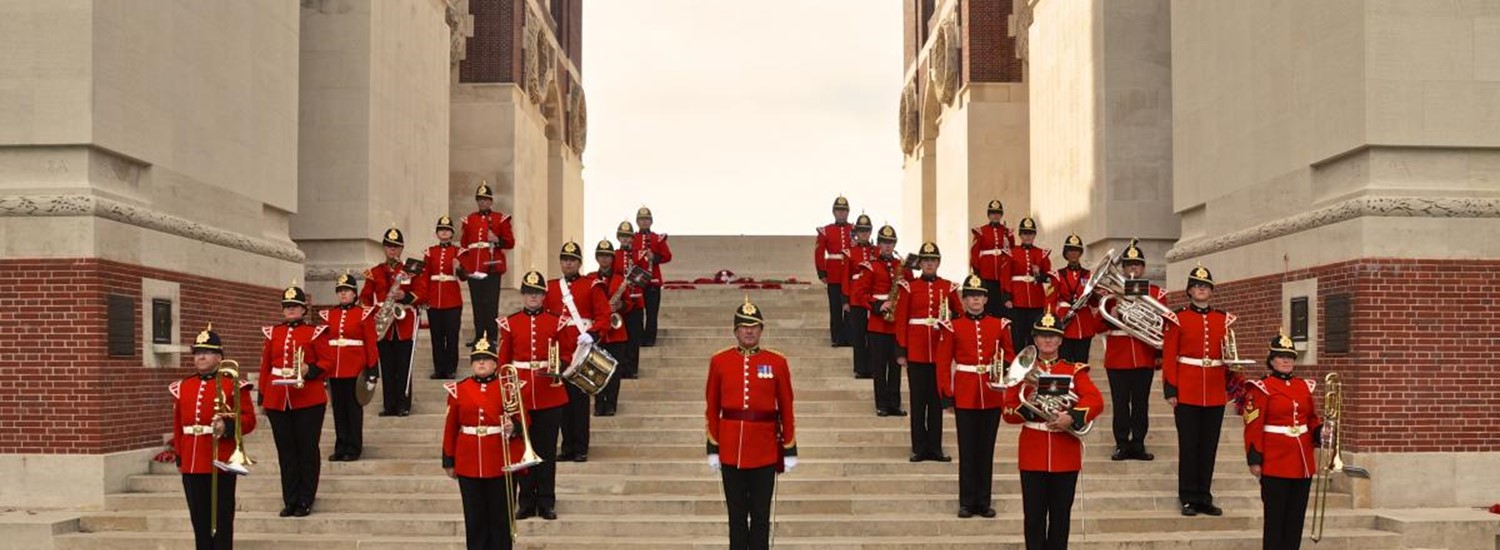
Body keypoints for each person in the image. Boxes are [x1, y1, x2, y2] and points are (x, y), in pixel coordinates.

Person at [1003, 309, 1104, 550]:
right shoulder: (1022, 372)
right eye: (1042, 336)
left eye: (1053, 335)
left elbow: (1095, 400)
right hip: (1033, 450)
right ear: (1035, 340)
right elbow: (1008, 411)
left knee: (1060, 519)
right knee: (1034, 519)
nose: (1047, 340)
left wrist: (1071, 416)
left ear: (1060, 340)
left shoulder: (1074, 370)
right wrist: (1031, 400)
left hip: (1065, 452)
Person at [706, 297, 797, 550]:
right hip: (730, 450)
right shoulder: (719, 361)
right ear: (735, 330)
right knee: (736, 518)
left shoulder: (777, 362)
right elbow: (712, 407)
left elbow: (787, 407)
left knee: (760, 517)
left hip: (765, 450)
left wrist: (789, 447)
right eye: (744, 326)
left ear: (761, 330)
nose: (749, 331)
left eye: (754, 326)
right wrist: (713, 446)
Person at [498, 270, 579, 521]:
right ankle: (526, 502)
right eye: (529, 293)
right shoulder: (510, 323)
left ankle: (546, 501)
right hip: (520, 394)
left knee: (545, 450)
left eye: (538, 293)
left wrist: (560, 366)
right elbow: (503, 361)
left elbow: (567, 352)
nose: (533, 297)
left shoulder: (557, 321)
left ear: (544, 296)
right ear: (522, 295)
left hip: (550, 393)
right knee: (523, 450)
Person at [936, 274, 1015, 518]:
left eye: (979, 296)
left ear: (986, 299)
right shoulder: (953, 326)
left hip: (991, 393)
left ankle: (984, 501)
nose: (975, 300)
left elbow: (1011, 358)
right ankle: (967, 501)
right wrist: (947, 395)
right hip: (965, 392)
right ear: (965, 299)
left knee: (986, 449)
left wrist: (1007, 382)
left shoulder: (1000, 324)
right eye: (970, 296)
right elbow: (942, 362)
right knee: (967, 449)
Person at [442, 335, 530, 550]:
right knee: (475, 519)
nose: (481, 362)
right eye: (477, 359)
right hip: (468, 460)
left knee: (501, 518)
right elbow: (451, 427)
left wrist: (514, 427)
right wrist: (449, 460)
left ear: (495, 364)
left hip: (500, 459)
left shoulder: (508, 387)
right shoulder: (459, 389)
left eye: (486, 358)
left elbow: (524, 419)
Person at [173, 324, 256, 549]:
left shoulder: (233, 384)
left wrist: (227, 425)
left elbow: (249, 420)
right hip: (192, 460)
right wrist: (180, 456)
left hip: (221, 458)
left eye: (206, 352)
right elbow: (178, 426)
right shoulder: (183, 386)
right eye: (197, 353)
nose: (200, 357)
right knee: (199, 520)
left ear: (219, 357)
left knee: (221, 519)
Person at [1162, 263, 1236, 517]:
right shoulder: (1178, 317)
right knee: (1189, 445)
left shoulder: (1222, 319)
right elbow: (1170, 354)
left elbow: (1228, 355)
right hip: (1187, 389)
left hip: (1215, 389)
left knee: (1208, 447)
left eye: (1205, 286)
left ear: (1211, 291)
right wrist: (1170, 388)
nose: (1201, 290)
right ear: (1190, 291)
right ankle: (1188, 497)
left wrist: (1234, 386)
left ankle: (1204, 496)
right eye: (1196, 286)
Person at [1244, 331, 1322, 550]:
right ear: (1271, 360)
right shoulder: (1261, 387)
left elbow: (1311, 419)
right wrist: (1254, 457)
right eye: (1280, 356)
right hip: (1275, 460)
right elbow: (1253, 425)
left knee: (1295, 519)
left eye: (1290, 356)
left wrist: (1320, 433)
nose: (1286, 360)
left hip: (1302, 461)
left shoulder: (1304, 386)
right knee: (1275, 520)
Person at [259, 282, 329, 517]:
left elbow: (327, 362)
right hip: (278, 398)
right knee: (286, 452)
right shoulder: (274, 333)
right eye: (286, 306)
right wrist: (263, 396)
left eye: (294, 306)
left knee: (307, 450)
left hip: (308, 398)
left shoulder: (314, 332)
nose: (290, 309)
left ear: (303, 309)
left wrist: (311, 370)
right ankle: (290, 499)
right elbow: (266, 366)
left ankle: (306, 499)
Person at [893, 241, 959, 462]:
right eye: (926, 261)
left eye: (933, 260)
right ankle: (919, 447)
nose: (930, 264)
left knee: (936, 401)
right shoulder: (909, 287)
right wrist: (901, 350)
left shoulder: (948, 287)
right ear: (920, 264)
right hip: (917, 352)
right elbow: (901, 319)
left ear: (938, 263)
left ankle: (935, 447)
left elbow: (959, 316)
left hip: (940, 351)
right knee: (918, 401)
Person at [545, 241, 610, 462]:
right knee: (561, 402)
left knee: (580, 403)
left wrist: (592, 334)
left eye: (572, 260)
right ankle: (567, 447)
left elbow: (604, 315)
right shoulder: (551, 287)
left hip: (581, 350)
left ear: (580, 263)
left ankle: (581, 447)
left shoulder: (591, 285)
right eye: (564, 259)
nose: (568, 263)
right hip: (559, 350)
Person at [1101, 239, 1166, 461]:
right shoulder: (1111, 294)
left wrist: (1159, 355)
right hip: (1117, 357)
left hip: (1143, 356)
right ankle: (1121, 443)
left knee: (1141, 403)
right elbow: (1097, 325)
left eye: (1136, 265)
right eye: (1128, 265)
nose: (1132, 269)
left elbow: (1162, 326)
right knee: (1120, 404)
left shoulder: (1156, 293)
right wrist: (1114, 315)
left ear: (1143, 268)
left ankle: (1138, 443)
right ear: (1123, 268)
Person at [360, 228, 424, 417]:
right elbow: (364, 298)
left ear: (402, 248)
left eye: (396, 247)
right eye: (389, 246)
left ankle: (403, 404)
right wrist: (372, 315)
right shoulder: (374, 272)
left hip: (403, 325)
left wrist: (405, 296)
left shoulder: (411, 270)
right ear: (384, 248)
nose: (392, 250)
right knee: (387, 367)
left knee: (404, 365)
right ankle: (389, 405)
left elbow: (422, 292)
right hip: (383, 324)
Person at [317, 272, 379, 462]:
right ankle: (341, 446)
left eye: (347, 291)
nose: (343, 294)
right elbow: (324, 343)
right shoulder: (329, 315)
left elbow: (370, 343)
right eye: (340, 291)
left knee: (353, 410)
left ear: (355, 294)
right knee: (338, 410)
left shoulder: (363, 314)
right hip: (334, 369)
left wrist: (372, 369)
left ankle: (354, 447)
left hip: (355, 369)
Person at [851, 225, 910, 417]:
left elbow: (909, 286)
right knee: (879, 366)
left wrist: (910, 269)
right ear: (879, 244)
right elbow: (860, 293)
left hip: (896, 324)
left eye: (890, 242)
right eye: (884, 242)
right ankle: (881, 404)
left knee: (895, 367)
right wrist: (877, 305)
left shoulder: (899, 265)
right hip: (877, 324)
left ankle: (894, 403)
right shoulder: (870, 265)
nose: (887, 246)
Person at [459, 181, 516, 344]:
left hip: (492, 267)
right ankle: (478, 336)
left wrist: (497, 240)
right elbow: (464, 246)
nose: (483, 202)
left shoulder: (500, 219)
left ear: (491, 201)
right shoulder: (469, 220)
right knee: (477, 304)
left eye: (485, 199)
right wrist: (465, 266)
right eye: (480, 199)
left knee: (490, 303)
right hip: (474, 268)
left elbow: (510, 242)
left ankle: (491, 336)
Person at [591, 239, 635, 416]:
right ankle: (599, 403)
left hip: (616, 333)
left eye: (608, 256)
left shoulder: (620, 280)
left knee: (614, 372)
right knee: (596, 370)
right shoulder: (590, 278)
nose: (604, 259)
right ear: (596, 258)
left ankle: (611, 404)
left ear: (612, 258)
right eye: (601, 256)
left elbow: (629, 303)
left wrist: (620, 307)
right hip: (598, 332)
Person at [421, 215, 465, 380]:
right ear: (437, 233)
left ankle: (451, 368)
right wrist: (424, 299)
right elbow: (424, 278)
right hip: (434, 300)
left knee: (452, 336)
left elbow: (464, 276)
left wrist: (459, 267)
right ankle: (439, 369)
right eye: (441, 230)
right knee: (436, 337)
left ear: (451, 233)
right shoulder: (430, 252)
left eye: (447, 230)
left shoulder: (458, 251)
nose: (444, 233)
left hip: (452, 301)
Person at [1050, 234, 1101, 363]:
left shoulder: (1089, 275)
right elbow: (1050, 300)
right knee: (1064, 362)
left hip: (1084, 323)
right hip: (1064, 322)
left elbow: (1094, 303)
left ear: (1080, 253)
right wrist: (1051, 321)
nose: (1073, 253)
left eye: (1076, 250)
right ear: (1065, 253)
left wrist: (1096, 294)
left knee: (1082, 363)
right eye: (1070, 250)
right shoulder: (1057, 275)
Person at [814, 196, 854, 347]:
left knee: (850, 307)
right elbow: (819, 252)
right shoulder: (826, 231)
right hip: (834, 273)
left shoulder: (855, 229)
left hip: (850, 274)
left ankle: (850, 337)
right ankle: (837, 337)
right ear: (834, 212)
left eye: (844, 211)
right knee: (836, 307)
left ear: (848, 212)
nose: (841, 213)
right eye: (839, 210)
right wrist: (822, 272)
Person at [1006, 217, 1051, 347]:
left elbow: (1049, 277)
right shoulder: (1012, 253)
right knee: (1018, 335)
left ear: (1034, 235)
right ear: (1020, 235)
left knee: (1034, 334)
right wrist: (1007, 297)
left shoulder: (1041, 253)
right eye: (1025, 233)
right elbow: (1006, 277)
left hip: (1036, 299)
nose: (1028, 236)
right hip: (1017, 299)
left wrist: (1039, 275)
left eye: (1030, 233)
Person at [631, 206, 672, 347]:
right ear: (637, 221)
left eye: (647, 219)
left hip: (652, 281)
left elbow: (667, 256)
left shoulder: (657, 238)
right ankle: (639, 337)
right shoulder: (632, 238)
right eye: (641, 219)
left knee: (652, 313)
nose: (644, 222)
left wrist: (654, 257)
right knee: (637, 313)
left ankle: (650, 339)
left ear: (651, 221)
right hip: (636, 281)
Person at [968, 199, 1015, 319]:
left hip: (1002, 276)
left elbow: (1012, 253)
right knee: (987, 305)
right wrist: (977, 272)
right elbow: (974, 253)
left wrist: (1007, 245)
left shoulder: (1007, 232)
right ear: (988, 215)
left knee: (1001, 307)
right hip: (986, 274)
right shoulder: (981, 231)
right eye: (992, 213)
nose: (995, 215)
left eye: (998, 213)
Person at [843, 214, 876, 379]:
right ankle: (860, 368)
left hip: (872, 298)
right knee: (858, 334)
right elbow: (845, 277)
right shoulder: (850, 252)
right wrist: (845, 300)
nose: (864, 233)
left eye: (867, 230)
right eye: (861, 230)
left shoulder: (876, 251)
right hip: (856, 298)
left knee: (872, 334)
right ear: (856, 232)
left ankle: (872, 366)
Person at [614, 221, 647, 379]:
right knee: (621, 338)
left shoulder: (639, 254)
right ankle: (620, 368)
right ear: (618, 238)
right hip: (621, 300)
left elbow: (646, 274)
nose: (626, 240)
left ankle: (632, 369)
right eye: (623, 237)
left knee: (634, 338)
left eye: (628, 237)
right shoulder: (614, 255)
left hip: (636, 300)